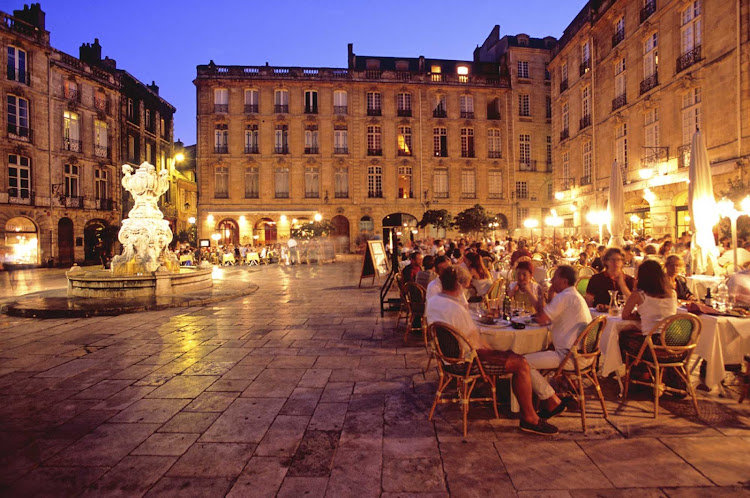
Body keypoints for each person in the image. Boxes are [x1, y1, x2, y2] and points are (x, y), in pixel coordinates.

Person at [425, 266, 558, 435]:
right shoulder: (456, 310)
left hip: (447, 360)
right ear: (458, 286)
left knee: (515, 357)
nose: (466, 292)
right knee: (521, 363)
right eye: (466, 287)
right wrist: (503, 353)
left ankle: (546, 400)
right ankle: (530, 418)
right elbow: (479, 348)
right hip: (467, 362)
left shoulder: (434, 301)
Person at [524, 265, 591, 419]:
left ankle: (551, 399)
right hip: (583, 355)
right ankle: (547, 396)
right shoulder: (572, 295)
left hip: (569, 357)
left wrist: (541, 297)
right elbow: (550, 315)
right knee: (535, 355)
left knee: (523, 362)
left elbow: (542, 319)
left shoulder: (565, 297)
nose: (552, 280)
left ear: (564, 280)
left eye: (555, 277)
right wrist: (551, 294)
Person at [619, 259, 678, 358]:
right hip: (674, 343)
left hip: (652, 345)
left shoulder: (639, 294)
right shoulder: (672, 293)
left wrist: (641, 317)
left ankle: (635, 369)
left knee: (623, 336)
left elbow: (625, 315)